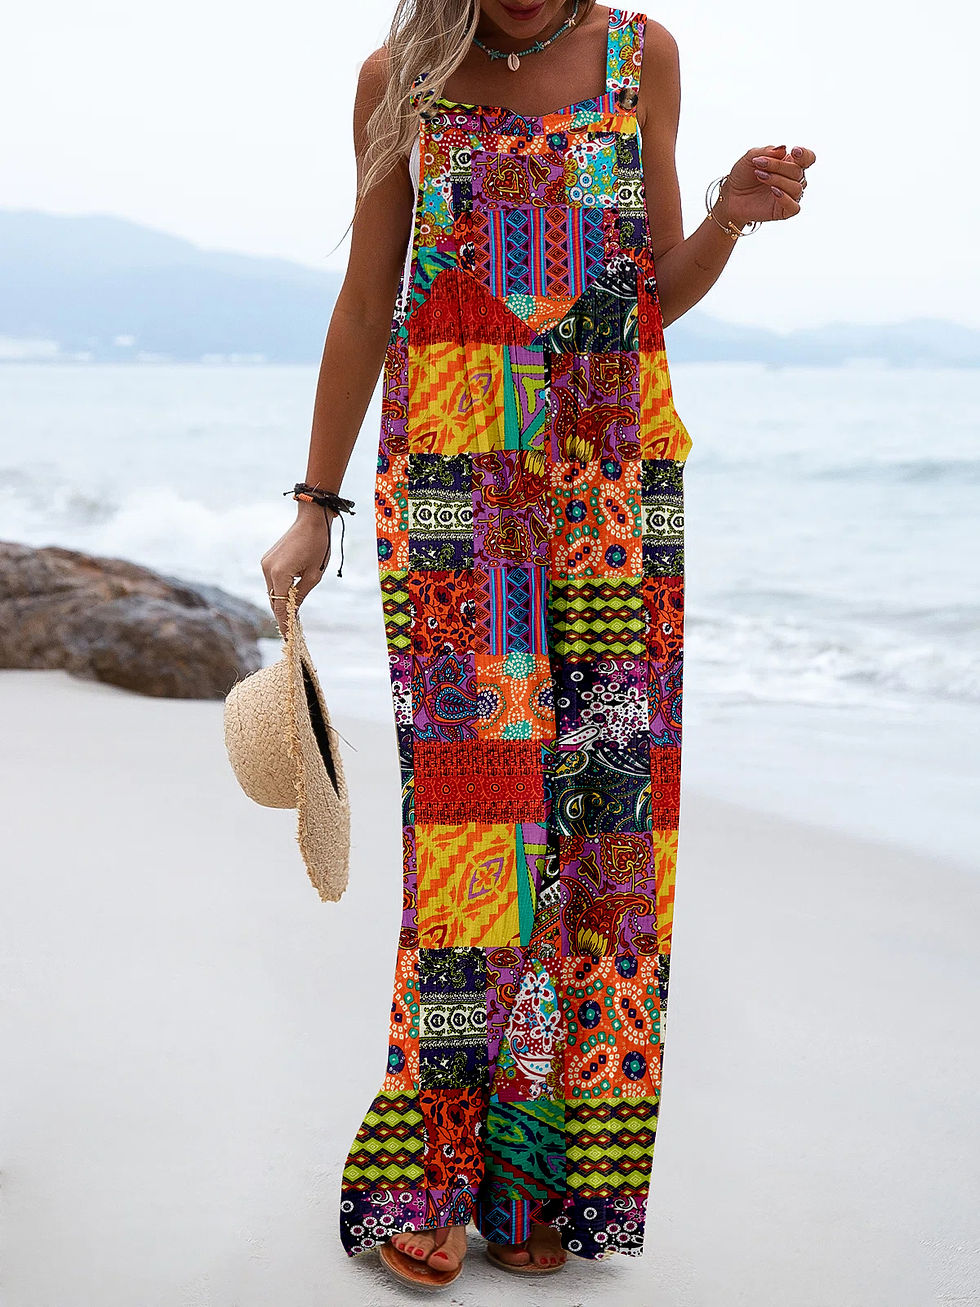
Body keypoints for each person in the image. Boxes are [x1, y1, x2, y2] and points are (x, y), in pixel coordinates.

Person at [261, 0, 814, 1289]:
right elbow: (365, 300)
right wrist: (313, 505)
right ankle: (427, 1173)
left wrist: (729, 212)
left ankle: (540, 1178)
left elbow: (651, 294)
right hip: (458, 501)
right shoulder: (400, 75)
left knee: (609, 842)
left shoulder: (642, 58)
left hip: (615, 498)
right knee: (476, 840)